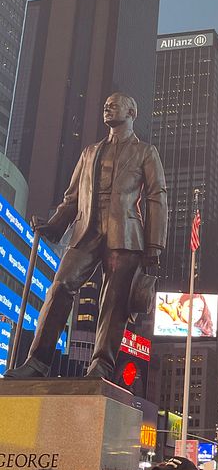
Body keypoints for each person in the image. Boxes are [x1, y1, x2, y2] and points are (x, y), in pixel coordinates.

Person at [4, 93, 167, 381]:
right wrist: (53, 226)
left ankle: (101, 366)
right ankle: (37, 361)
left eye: (114, 104)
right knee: (61, 285)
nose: (107, 107)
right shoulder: (90, 152)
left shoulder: (145, 152)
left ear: (131, 112)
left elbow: (156, 197)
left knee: (114, 300)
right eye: (105, 104)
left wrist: (154, 244)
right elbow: (72, 198)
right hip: (86, 230)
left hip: (125, 235)